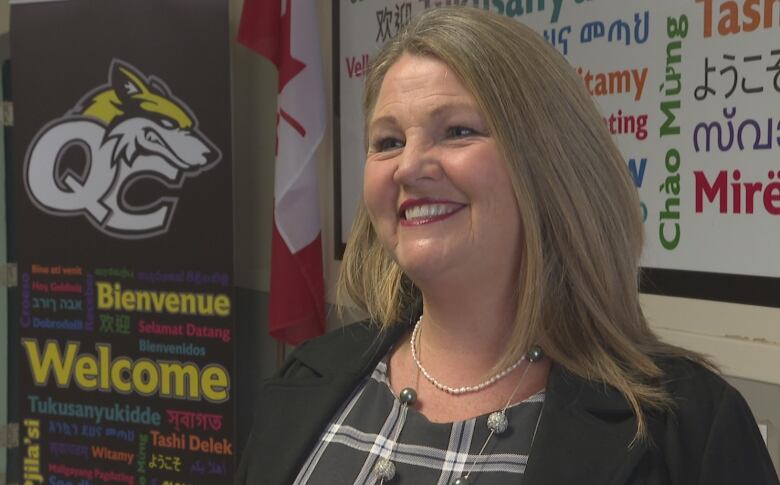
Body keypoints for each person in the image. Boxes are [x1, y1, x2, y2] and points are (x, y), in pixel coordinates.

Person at [236, 7, 780, 485]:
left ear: (550, 165)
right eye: (388, 142)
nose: (409, 166)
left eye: (457, 132)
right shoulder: (302, 382)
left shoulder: (691, 429)